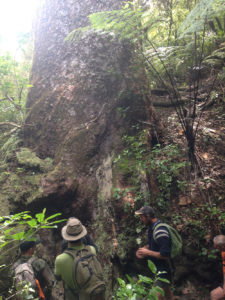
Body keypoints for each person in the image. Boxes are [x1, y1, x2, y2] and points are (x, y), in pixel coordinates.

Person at [54, 218, 105, 300]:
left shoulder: (60, 260)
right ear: (82, 235)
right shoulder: (92, 250)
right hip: (92, 294)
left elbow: (58, 277)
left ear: (66, 238)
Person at [135, 206, 174, 300]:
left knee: (155, 297)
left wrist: (148, 252)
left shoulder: (160, 231)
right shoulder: (152, 228)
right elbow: (157, 244)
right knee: (168, 296)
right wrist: (145, 248)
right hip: (159, 269)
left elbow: (165, 254)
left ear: (148, 216)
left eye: (142, 217)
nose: (141, 219)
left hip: (164, 270)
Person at [210, 235, 225, 300]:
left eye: (217, 247)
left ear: (222, 246)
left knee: (214, 295)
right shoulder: (223, 252)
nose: (215, 247)